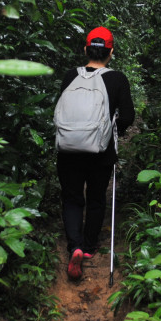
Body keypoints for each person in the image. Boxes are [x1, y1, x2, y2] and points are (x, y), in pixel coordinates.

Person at [56, 26, 135, 281]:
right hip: (100, 150)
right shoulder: (117, 78)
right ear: (111, 52)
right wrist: (115, 131)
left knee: (72, 197)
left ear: (85, 49)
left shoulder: (70, 76)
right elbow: (128, 116)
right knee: (97, 197)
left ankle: (75, 246)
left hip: (68, 148)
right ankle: (89, 247)